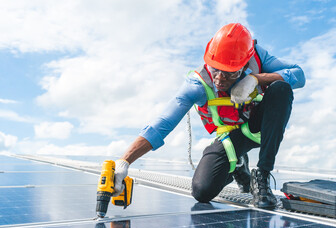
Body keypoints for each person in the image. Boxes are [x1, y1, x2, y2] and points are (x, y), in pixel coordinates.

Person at [113, 23, 305, 209]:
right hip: (233, 137)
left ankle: (262, 176)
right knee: (202, 191)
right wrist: (125, 161)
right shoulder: (196, 85)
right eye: (215, 69)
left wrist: (256, 79)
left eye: (229, 73)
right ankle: (238, 164)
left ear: (244, 64)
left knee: (281, 89)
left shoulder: (257, 58)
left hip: (262, 125)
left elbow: (299, 74)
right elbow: (163, 123)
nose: (220, 79)